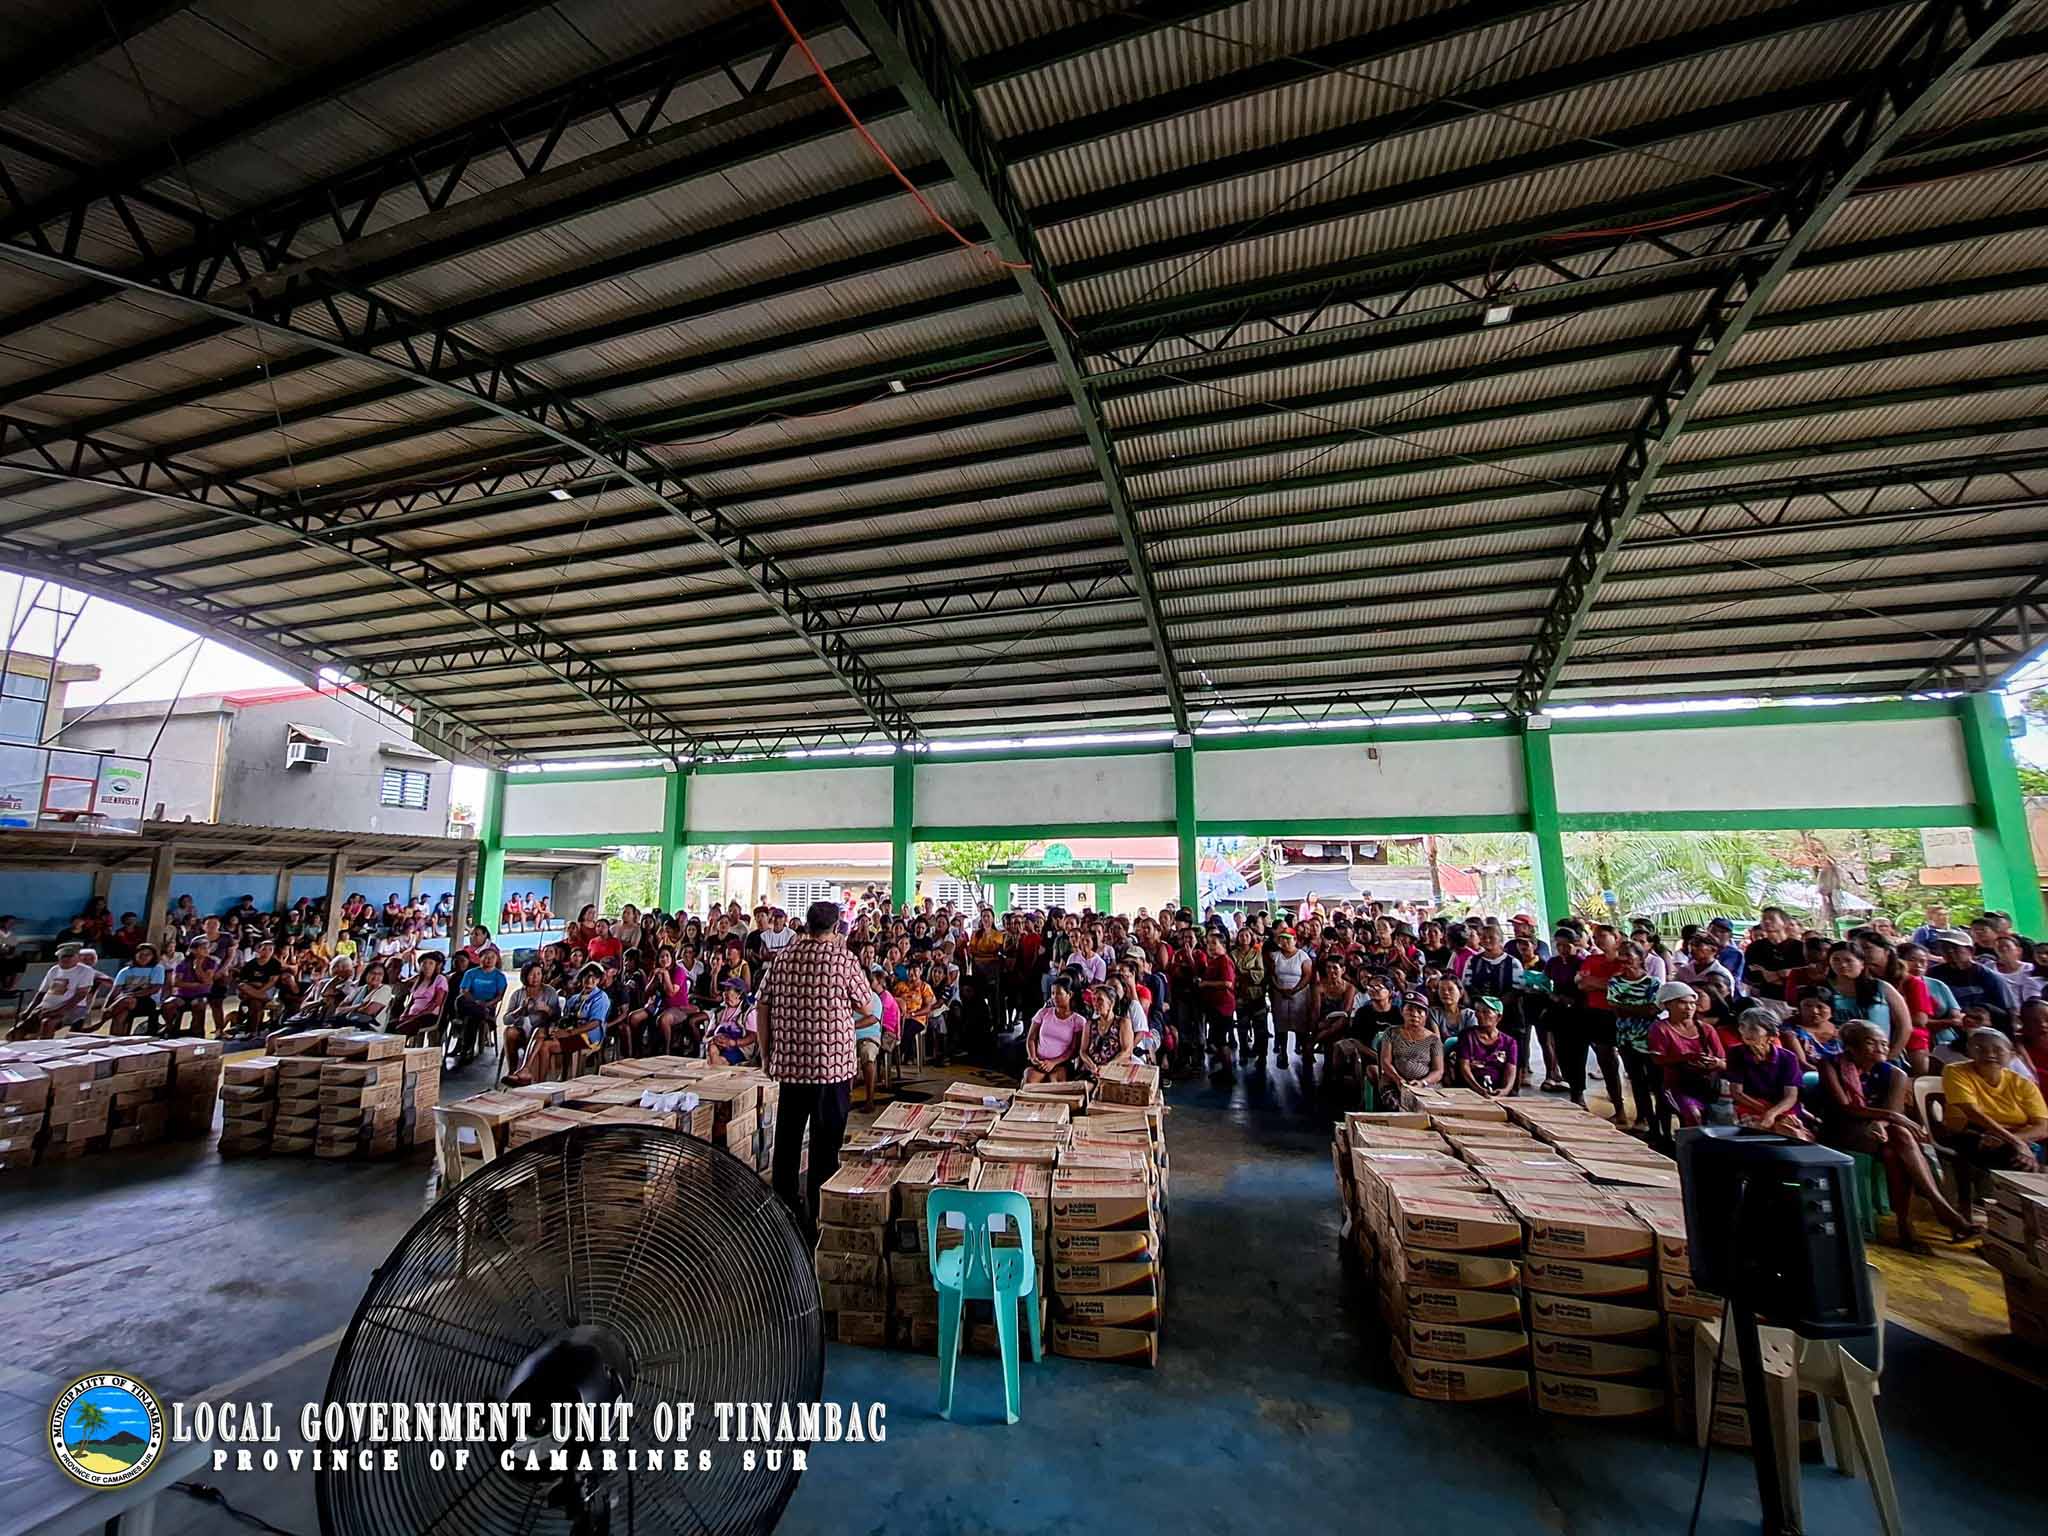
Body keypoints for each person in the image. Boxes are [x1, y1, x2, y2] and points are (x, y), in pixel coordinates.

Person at [756, 900, 876, 1236]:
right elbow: (867, 1005)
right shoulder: (843, 959)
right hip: (831, 1068)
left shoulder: (783, 958)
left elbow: (762, 1004)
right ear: (836, 928)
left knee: (788, 1141)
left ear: (807, 926)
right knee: (826, 1146)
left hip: (791, 1067)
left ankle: (783, 1212)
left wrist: (766, 1054)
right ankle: (818, 1216)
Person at [1817, 1021, 1974, 1249]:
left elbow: (1892, 1111)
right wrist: (1891, 1118)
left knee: (1894, 1151)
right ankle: (1931, 1214)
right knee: (1900, 1136)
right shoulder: (1830, 1064)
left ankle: (1912, 1222)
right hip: (1842, 1130)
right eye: (1870, 1043)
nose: (1880, 1048)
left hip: (1883, 1134)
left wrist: (1882, 1123)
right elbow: (1845, 1107)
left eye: (1884, 1043)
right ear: (1851, 1046)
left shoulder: (1895, 1074)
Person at [1938, 1029, 2048, 1193]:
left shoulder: (2023, 1083)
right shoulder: (1955, 1071)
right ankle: (1996, 1202)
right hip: (1971, 1131)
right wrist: (2015, 1143)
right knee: (2011, 1156)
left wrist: (2014, 1140)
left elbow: (2042, 1126)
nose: (1989, 1054)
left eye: (1997, 1050)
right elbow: (1972, 1112)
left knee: (2024, 1153)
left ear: (2011, 1055)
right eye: (1980, 1048)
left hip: (2014, 1136)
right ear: (1968, 1051)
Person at [1724, 1009, 1813, 1141]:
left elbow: (1790, 1096)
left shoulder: (1788, 1058)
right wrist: (1769, 1114)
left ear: (1771, 1035)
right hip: (1751, 1106)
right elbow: (1737, 1093)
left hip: (1782, 1108)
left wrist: (1774, 1114)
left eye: (1753, 1029)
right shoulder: (1736, 1053)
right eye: (1743, 1026)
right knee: (1760, 1129)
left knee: (1794, 1135)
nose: (1745, 1032)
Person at [1648, 982, 1724, 1128]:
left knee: (1709, 1123)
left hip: (1707, 1088)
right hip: (1677, 1087)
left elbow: (1724, 1061)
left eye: (1692, 1003)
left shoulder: (1706, 1029)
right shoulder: (1660, 1029)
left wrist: (1716, 1063)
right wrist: (1688, 1058)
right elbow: (1657, 1059)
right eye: (1682, 1003)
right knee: (1693, 1116)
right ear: (1667, 1005)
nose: (1689, 1008)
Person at [1374, 990, 1445, 1097]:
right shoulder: (1391, 1032)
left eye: (1420, 1011)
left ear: (1426, 1015)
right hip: (1394, 1083)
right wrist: (1398, 1079)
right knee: (1398, 1103)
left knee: (1425, 1104)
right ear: (1402, 1011)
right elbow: (1385, 1062)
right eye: (1410, 1009)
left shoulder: (1434, 1039)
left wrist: (1422, 1082)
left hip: (1426, 1085)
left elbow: (1438, 1071)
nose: (1414, 1014)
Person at [499, 962, 561, 1081]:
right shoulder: (518, 994)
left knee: (539, 1031)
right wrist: (519, 1010)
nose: (535, 977)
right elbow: (506, 1020)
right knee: (509, 1032)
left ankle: (526, 1069)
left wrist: (546, 1009)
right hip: (522, 1033)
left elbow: (557, 1016)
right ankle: (513, 1072)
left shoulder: (549, 991)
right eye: (532, 974)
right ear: (525, 976)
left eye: (538, 974)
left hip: (542, 1034)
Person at [1024, 977, 1085, 1083]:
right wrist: (1033, 1058)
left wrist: (1053, 1062)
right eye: (1052, 993)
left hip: (1061, 1063)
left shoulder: (1078, 1020)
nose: (1054, 997)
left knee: (1055, 1082)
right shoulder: (1044, 1013)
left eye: (1059, 993)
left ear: (1070, 994)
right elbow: (1031, 1039)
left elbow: (1073, 1050)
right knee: (1030, 1081)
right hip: (1039, 1061)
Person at [1268, 925, 1312, 1066]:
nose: (1285, 942)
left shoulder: (1302, 956)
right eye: (1282, 939)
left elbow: (1307, 976)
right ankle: (1283, 1053)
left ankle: (1306, 1053)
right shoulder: (1275, 956)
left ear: (1295, 940)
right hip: (1280, 994)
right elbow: (1271, 975)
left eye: (1288, 939)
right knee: (1281, 1026)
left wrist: (1295, 989)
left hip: (1299, 995)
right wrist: (1279, 988)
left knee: (1301, 1026)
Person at [1073, 983, 1136, 1082]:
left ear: (1111, 1003)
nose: (1095, 1003)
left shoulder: (1123, 1023)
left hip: (1114, 1070)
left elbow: (1127, 1051)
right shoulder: (1089, 1024)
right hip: (1092, 1070)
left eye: (1100, 1000)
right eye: (1094, 999)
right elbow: (1083, 1051)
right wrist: (1092, 1066)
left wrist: (1108, 1066)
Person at [1458, 996, 1519, 1096]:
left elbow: (1511, 1070)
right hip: (1471, 1090)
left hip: (1498, 1090)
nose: (1479, 1015)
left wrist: (1504, 1091)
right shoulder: (1467, 1036)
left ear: (1499, 1017)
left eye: (1485, 1012)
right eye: (1478, 1011)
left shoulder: (1509, 1042)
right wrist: (1479, 1089)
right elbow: (1464, 1067)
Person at [106, 943, 167, 1036]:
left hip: (147, 1001)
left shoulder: (157, 969)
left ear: (153, 956)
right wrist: (106, 1005)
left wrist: (131, 995)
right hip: (123, 1001)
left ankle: (101, 1022)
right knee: (121, 1015)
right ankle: (116, 1038)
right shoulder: (125, 971)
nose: (144, 957)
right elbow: (115, 991)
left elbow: (154, 989)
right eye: (141, 954)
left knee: (127, 1000)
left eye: (147, 955)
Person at [392, 950, 449, 1040]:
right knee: (390, 1026)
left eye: (431, 963)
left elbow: (436, 1002)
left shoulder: (440, 979)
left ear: (436, 966)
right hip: (412, 1015)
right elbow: (411, 1001)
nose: (427, 966)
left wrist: (418, 1015)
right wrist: (404, 1014)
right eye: (424, 963)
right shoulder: (419, 980)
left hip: (428, 1015)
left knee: (401, 1029)